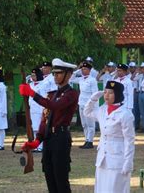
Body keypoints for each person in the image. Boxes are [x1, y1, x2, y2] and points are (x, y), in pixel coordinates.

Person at [20, 58, 79, 193]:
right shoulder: (51, 94)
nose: (55, 76)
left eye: (59, 73)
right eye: (54, 73)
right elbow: (45, 119)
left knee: (61, 180)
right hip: (48, 139)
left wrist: (32, 94)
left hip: (61, 139)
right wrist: (37, 140)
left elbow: (56, 106)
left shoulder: (71, 94)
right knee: (49, 178)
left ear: (68, 75)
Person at [84, 81, 135, 193]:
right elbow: (87, 112)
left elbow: (129, 140)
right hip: (103, 157)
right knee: (101, 188)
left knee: (115, 188)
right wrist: (93, 99)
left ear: (117, 95)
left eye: (110, 93)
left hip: (117, 158)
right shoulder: (102, 110)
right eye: (105, 92)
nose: (106, 95)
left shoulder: (125, 114)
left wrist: (128, 161)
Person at [71, 61, 98, 149]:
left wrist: (93, 105)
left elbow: (95, 93)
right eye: (82, 69)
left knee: (90, 124)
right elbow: (70, 79)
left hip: (89, 105)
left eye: (85, 69)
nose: (83, 70)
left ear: (90, 70)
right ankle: (86, 140)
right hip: (81, 104)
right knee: (84, 124)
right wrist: (77, 70)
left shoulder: (92, 80)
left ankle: (90, 141)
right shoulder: (81, 79)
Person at [29, 68, 48, 152]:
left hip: (39, 109)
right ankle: (36, 145)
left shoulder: (43, 84)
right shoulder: (31, 85)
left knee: (40, 128)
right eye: (32, 75)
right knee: (34, 128)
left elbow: (44, 97)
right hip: (32, 109)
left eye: (34, 75)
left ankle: (41, 146)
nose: (32, 77)